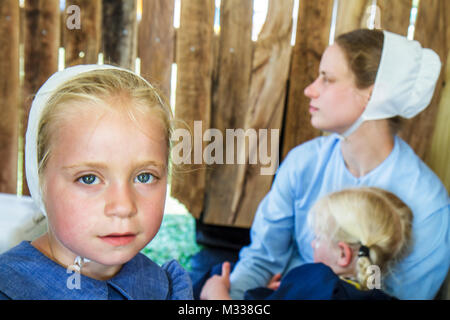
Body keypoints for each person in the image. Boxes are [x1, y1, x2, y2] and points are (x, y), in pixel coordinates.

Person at [203, 29, 449, 300]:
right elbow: (262, 260)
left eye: (327, 79)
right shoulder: (303, 163)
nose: (310, 90)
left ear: (374, 93)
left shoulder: (427, 206)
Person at [0, 64, 193, 299]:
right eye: (89, 179)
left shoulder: (168, 288)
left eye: (144, 176)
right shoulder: (9, 288)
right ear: (39, 178)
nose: (123, 207)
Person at [200, 187, 413, 300]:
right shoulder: (379, 297)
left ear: (343, 254)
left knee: (214, 275)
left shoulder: (318, 282)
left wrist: (215, 293)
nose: (312, 244)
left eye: (318, 237)